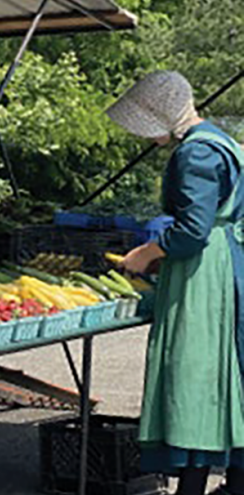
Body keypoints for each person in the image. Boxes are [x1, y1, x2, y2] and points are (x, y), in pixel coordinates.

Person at [111, 71, 244, 495]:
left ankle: (191, 484)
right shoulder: (222, 142)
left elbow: (191, 230)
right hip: (228, 263)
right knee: (227, 375)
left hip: (205, 275)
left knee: (194, 375)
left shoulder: (196, 155)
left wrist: (147, 253)